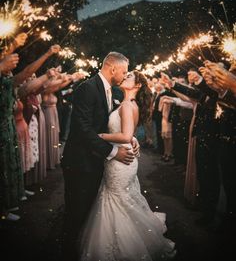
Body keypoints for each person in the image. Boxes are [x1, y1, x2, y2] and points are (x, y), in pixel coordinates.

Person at [78, 70, 176, 261]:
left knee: (116, 198)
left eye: (130, 76)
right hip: (123, 158)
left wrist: (99, 136)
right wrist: (131, 138)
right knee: (120, 198)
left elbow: (124, 135)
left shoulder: (126, 105)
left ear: (137, 85)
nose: (125, 77)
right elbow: (128, 134)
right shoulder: (129, 104)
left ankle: (123, 249)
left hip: (120, 161)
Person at [60, 52, 140, 261]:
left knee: (87, 213)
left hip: (94, 161)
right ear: (112, 68)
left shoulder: (110, 91)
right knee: (76, 213)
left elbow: (110, 123)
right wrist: (114, 151)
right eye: (123, 71)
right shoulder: (87, 88)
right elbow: (82, 129)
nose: (124, 75)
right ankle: (69, 253)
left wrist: (130, 138)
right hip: (80, 163)